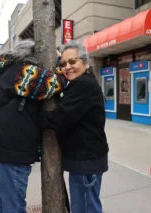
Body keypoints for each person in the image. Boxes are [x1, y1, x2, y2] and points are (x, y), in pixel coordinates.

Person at [0, 39, 66, 213]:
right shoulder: (23, 72)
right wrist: (58, 62)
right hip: (11, 151)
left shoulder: (6, 70)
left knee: (2, 203)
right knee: (14, 207)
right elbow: (56, 83)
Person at [42, 40, 109, 213]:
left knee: (85, 208)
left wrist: (35, 116)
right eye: (63, 64)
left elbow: (59, 119)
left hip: (86, 161)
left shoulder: (83, 85)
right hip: (86, 160)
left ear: (85, 62)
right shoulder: (83, 82)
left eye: (73, 61)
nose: (68, 67)